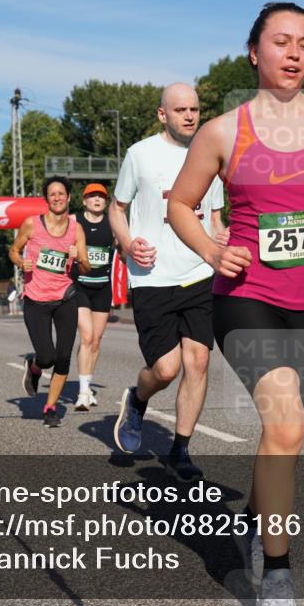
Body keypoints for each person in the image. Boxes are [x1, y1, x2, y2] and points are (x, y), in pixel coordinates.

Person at [168, 3, 304, 606]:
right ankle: (278, 575)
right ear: (254, 52)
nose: (295, 54)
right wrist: (213, 250)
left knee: (285, 435)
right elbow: (181, 204)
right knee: (285, 421)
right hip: (245, 297)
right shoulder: (221, 131)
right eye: (282, 42)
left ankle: (255, 524)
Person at [109, 82, 227, 482]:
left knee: (198, 360)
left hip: (198, 273)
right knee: (165, 369)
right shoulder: (140, 154)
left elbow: (214, 219)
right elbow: (117, 209)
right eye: (180, 110)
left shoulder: (212, 155)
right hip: (152, 277)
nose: (190, 116)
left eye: (195, 109)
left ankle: (181, 448)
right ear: (163, 115)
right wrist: (127, 244)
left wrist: (221, 236)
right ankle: (137, 399)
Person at [9, 176, 90, 428]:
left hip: (66, 298)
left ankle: (50, 407)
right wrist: (21, 262)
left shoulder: (76, 229)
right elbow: (13, 250)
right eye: (52, 194)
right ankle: (34, 367)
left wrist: (79, 259)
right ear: (47, 199)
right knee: (47, 357)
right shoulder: (31, 225)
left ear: (68, 197)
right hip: (36, 300)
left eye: (61, 193)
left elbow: (87, 268)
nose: (57, 198)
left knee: (63, 358)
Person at [71, 183, 117, 411]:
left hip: (102, 287)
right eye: (92, 196)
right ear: (84, 200)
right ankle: (81, 392)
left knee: (96, 340)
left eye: (101, 196)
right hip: (79, 286)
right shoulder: (73, 221)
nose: (97, 199)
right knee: (87, 336)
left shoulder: (113, 223)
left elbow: (124, 247)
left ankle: (87, 386)